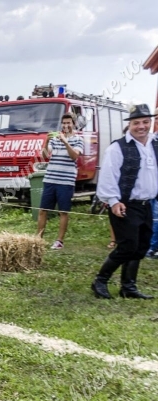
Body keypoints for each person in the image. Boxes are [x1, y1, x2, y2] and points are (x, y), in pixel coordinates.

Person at [91, 103, 158, 299]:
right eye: (136, 123)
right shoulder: (117, 148)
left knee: (141, 246)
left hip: (147, 204)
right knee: (128, 246)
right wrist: (113, 201)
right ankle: (100, 281)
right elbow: (108, 177)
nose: (141, 126)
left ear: (150, 122)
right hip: (125, 205)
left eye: (145, 122)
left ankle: (128, 287)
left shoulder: (154, 144)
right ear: (129, 124)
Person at [37, 113, 84, 249]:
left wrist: (65, 142)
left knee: (63, 212)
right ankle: (38, 239)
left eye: (68, 123)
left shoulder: (78, 139)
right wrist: (46, 142)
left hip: (66, 181)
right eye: (64, 123)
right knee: (43, 210)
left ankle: (59, 241)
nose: (66, 125)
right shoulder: (55, 139)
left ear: (73, 124)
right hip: (50, 179)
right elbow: (45, 156)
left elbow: (74, 156)